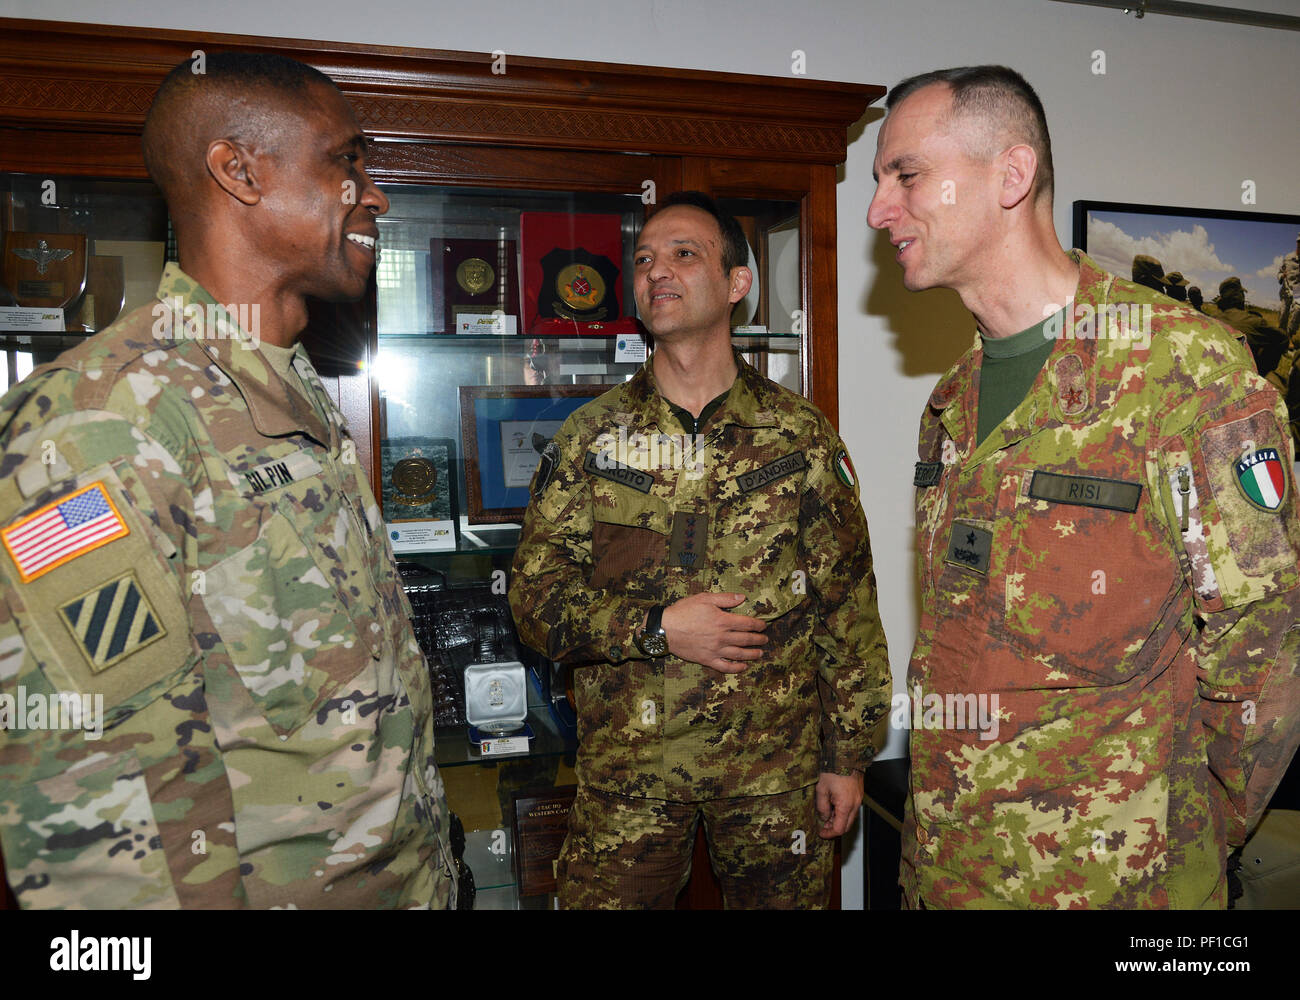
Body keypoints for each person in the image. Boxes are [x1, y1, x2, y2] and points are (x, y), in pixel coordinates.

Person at [0, 53, 456, 908]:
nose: (375, 194)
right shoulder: (99, 422)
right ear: (237, 171)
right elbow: (101, 813)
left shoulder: (286, 385)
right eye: (345, 160)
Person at [868, 64, 1300, 908]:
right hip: (950, 874)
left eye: (905, 175)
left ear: (1012, 176)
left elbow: (1266, 648)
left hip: (1120, 890)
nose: (879, 209)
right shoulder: (950, 403)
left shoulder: (1185, 373)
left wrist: (1187, 832)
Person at [508, 191, 890, 909]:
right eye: (645, 258)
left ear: (737, 284)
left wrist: (847, 756)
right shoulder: (592, 437)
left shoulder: (798, 435)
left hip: (773, 771)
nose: (658, 272)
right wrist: (656, 629)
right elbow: (534, 604)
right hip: (632, 772)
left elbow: (847, 602)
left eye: (685, 254)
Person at [1278, 234, 1300, 341]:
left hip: (1298, 290)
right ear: (1297, 243)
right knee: (1283, 313)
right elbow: (1279, 273)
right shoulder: (1288, 258)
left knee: (1298, 310)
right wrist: (1282, 276)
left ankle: (1289, 335)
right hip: (1286, 289)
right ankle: (1281, 336)